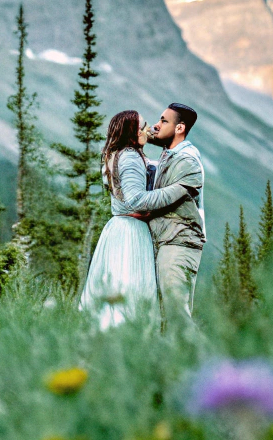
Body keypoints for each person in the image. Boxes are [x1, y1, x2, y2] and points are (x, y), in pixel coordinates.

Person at [78, 109, 197, 330]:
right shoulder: (130, 156)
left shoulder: (117, 154)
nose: (149, 128)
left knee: (116, 291)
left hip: (118, 229)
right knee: (132, 289)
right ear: (132, 132)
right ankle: (128, 340)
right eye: (142, 126)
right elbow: (136, 200)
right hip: (131, 232)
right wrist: (178, 190)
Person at [141, 102, 205, 325]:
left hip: (180, 242)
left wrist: (133, 202)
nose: (156, 126)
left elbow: (161, 200)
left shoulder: (187, 161)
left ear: (180, 128)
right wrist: (136, 134)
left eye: (163, 121)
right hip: (167, 240)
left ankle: (204, 358)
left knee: (176, 314)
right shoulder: (170, 155)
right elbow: (149, 137)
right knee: (163, 317)